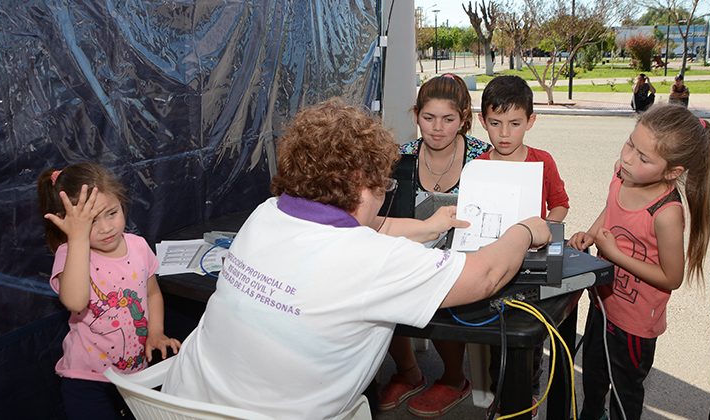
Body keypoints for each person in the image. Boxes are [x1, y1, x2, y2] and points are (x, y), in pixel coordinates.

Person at [161, 98, 551, 419]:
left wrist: (427, 227)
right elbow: (484, 276)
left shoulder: (267, 213)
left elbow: (360, 224)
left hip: (178, 404)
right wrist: (525, 230)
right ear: (363, 186)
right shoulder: (371, 260)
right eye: (384, 184)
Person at [569, 104, 710, 420]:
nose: (628, 157)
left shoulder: (667, 213)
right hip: (602, 306)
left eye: (643, 157)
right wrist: (592, 235)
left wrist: (617, 255)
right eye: (630, 143)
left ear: (672, 172)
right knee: (593, 379)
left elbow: (671, 277)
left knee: (625, 393)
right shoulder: (622, 174)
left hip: (635, 325)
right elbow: (611, 208)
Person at [380, 73, 491, 418]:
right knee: (380, 283)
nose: (437, 128)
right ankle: (408, 370)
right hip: (413, 251)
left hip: (464, 257)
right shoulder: (402, 157)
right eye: (428, 118)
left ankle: (455, 379)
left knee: (441, 286)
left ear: (463, 119)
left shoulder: (483, 159)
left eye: (448, 119)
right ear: (416, 116)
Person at [38, 162, 181, 420]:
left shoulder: (137, 246)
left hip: (136, 373)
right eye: (90, 222)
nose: (105, 228)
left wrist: (156, 332)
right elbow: (75, 301)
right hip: (86, 380)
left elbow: (152, 293)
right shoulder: (69, 254)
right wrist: (78, 238)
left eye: (112, 213)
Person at [476, 75, 570, 416]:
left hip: (532, 264)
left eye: (515, 124)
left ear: (531, 121)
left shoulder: (542, 161)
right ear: (482, 120)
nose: (504, 134)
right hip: (493, 262)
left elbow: (560, 204)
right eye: (495, 123)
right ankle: (500, 396)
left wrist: (546, 229)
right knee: (495, 336)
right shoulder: (479, 166)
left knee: (530, 337)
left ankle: (527, 390)